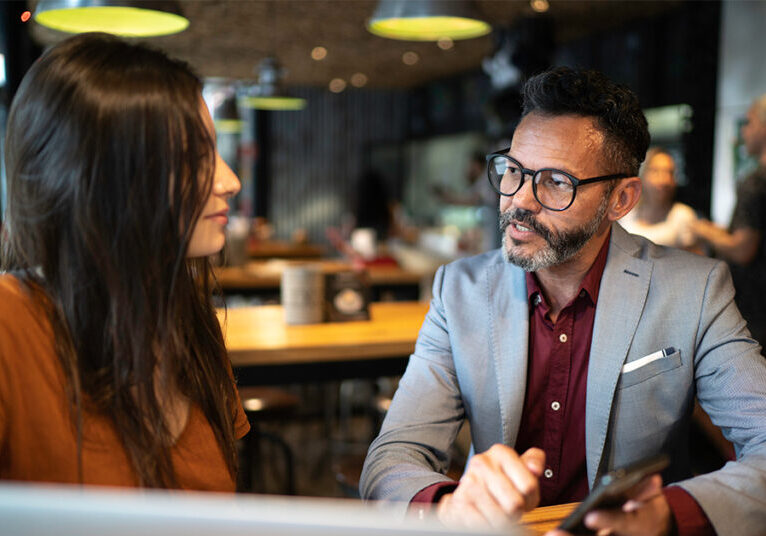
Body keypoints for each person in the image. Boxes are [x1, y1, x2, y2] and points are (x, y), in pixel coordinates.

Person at [360, 67, 766, 535]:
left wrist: (665, 516)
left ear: (621, 198)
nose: (519, 200)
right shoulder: (460, 291)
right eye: (513, 170)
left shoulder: (694, 290)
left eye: (554, 181)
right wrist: (448, 506)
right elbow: (392, 456)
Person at [0, 33, 249, 489]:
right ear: (101, 174)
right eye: (194, 157)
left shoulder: (190, 325)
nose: (229, 181)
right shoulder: (10, 327)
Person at [692, 94, 766, 346]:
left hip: (755, 312)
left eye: (750, 123)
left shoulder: (755, 182)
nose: (743, 132)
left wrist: (702, 229)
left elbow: (744, 249)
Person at [619, 147, 699, 251]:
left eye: (669, 173)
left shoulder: (683, 215)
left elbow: (692, 262)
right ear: (642, 176)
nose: (664, 180)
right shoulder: (625, 214)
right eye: (656, 171)